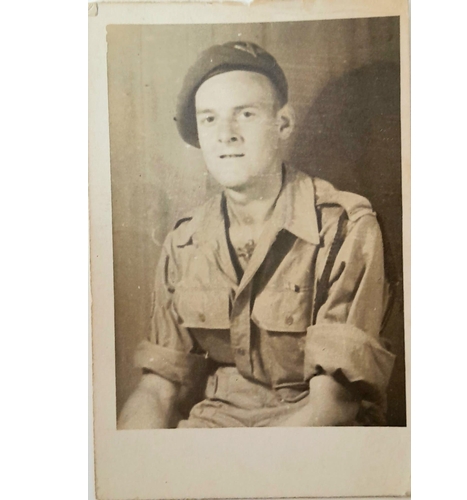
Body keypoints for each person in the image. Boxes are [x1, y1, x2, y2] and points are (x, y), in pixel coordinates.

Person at [118, 41, 395, 429]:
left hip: (312, 447)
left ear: (283, 123)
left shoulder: (345, 228)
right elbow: (158, 387)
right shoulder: (184, 243)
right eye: (209, 119)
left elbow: (334, 406)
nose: (226, 135)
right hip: (211, 437)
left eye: (245, 114)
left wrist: (241, 474)